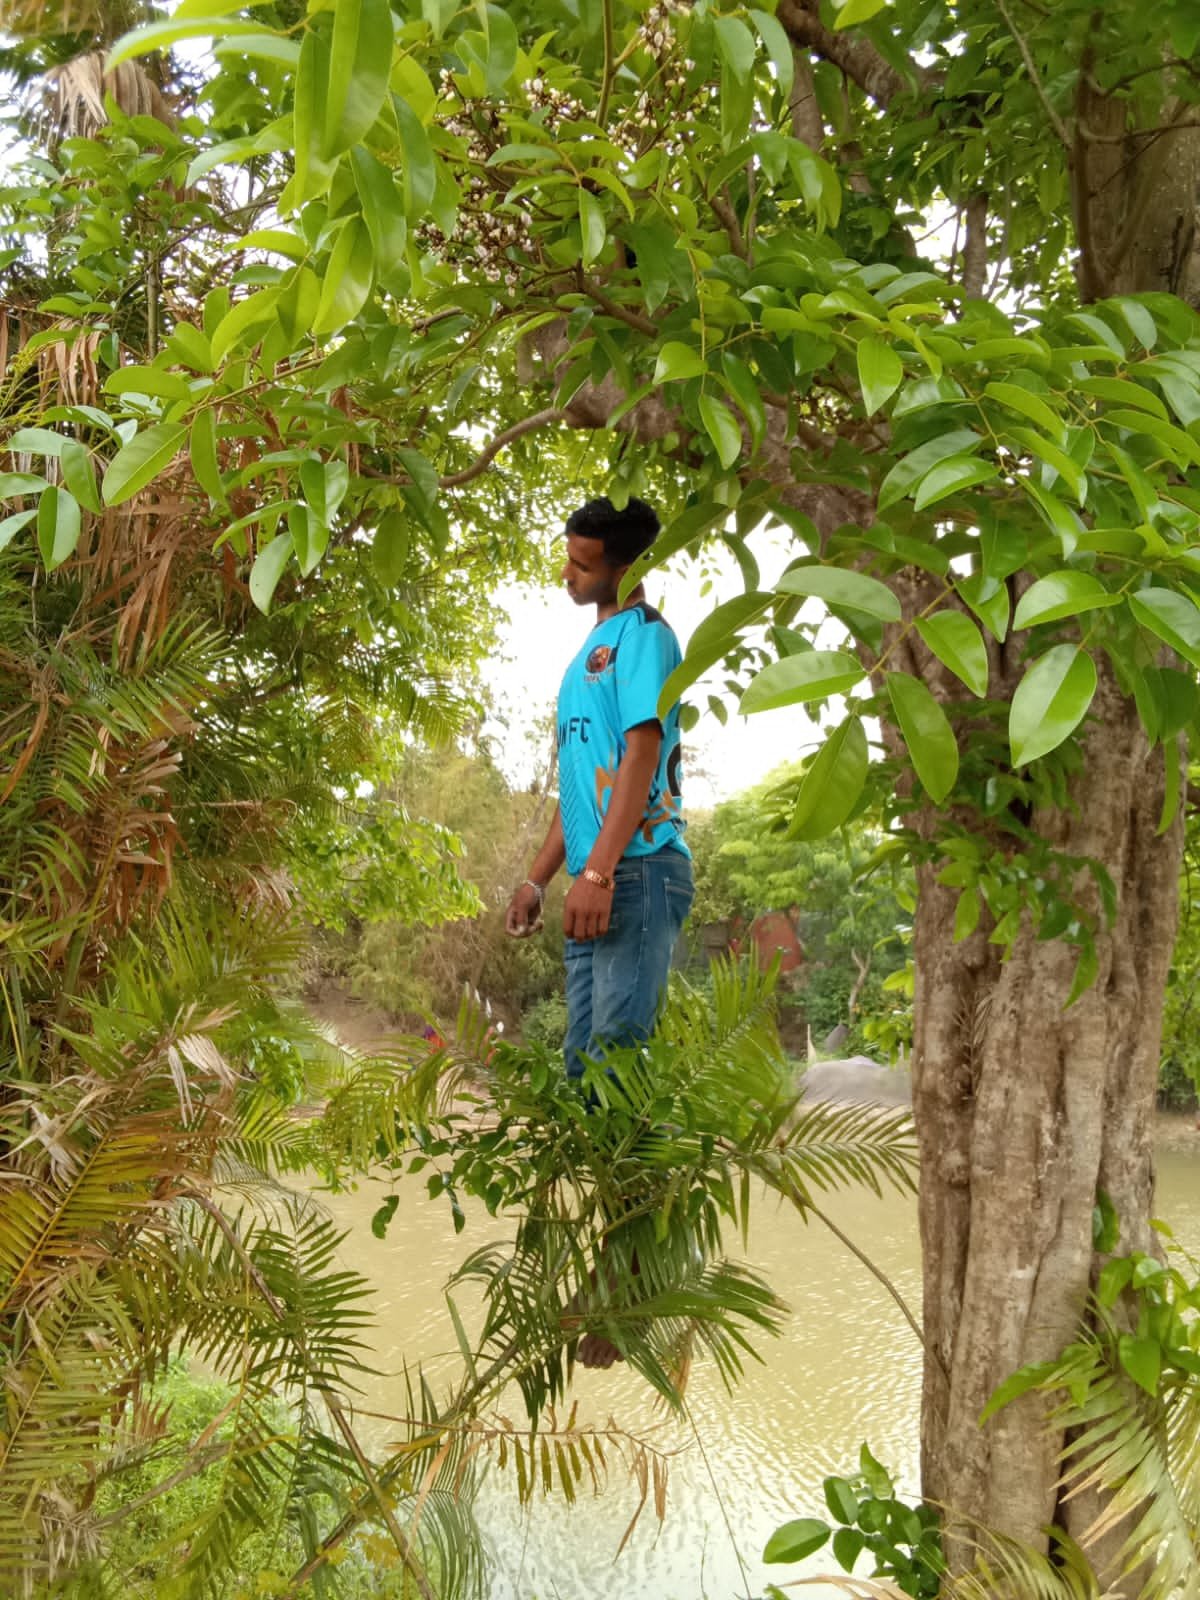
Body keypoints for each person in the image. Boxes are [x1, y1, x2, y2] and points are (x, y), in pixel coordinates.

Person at [505, 494, 694, 1084]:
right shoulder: (585, 655)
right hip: (602, 878)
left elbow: (641, 754)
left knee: (615, 1068)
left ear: (627, 570)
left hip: (637, 872)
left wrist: (598, 875)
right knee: (581, 1070)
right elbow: (581, 788)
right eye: (569, 559)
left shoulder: (645, 637)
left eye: (583, 565)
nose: (567, 574)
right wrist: (537, 880)